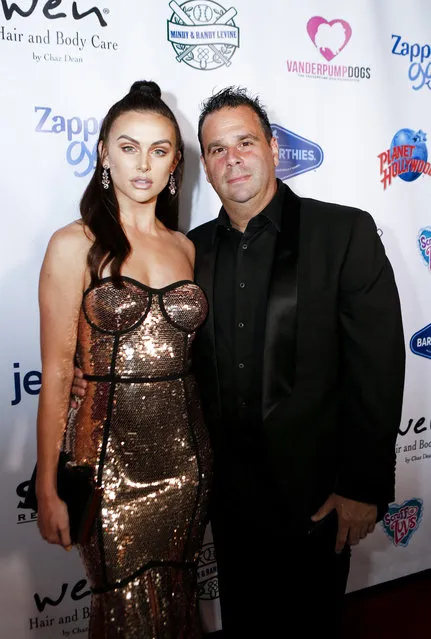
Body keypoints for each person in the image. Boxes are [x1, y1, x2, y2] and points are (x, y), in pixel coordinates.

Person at [72, 86, 405, 637]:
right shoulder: (189, 250)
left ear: (273, 148)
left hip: (318, 499)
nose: (233, 159)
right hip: (226, 500)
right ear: (205, 163)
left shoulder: (342, 232)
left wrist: (363, 486)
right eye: (217, 150)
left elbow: (379, 365)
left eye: (245, 142)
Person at [35, 80, 212, 639]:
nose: (143, 164)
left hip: (188, 462)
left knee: (178, 605)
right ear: (105, 154)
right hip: (109, 468)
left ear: (174, 164)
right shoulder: (75, 244)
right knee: (121, 615)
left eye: (159, 150)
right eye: (128, 147)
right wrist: (47, 483)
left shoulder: (185, 247)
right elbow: (60, 372)